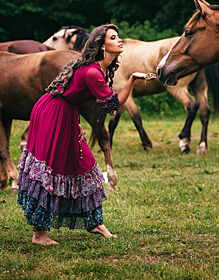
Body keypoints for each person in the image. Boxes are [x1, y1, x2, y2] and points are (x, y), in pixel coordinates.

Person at [16, 23, 154, 245]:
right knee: (52, 169)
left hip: (65, 112)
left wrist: (75, 121)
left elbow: (72, 95)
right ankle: (39, 235)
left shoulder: (95, 68)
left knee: (85, 163)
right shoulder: (92, 72)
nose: (120, 40)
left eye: (119, 37)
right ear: (102, 46)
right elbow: (113, 105)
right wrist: (132, 80)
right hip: (53, 113)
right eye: (114, 38)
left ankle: (94, 223)